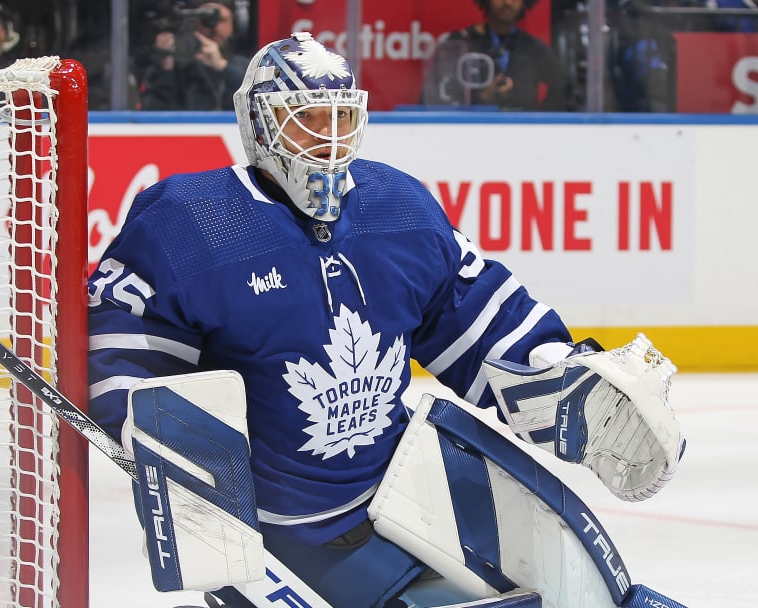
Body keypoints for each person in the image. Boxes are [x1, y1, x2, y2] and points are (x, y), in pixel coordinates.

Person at [88, 32, 686, 607]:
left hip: (407, 480)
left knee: (583, 580)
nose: (328, 140)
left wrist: (552, 369)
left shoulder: (396, 205)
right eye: (307, 119)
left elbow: (468, 309)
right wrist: (163, 447)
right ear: (260, 123)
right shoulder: (192, 222)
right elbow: (123, 343)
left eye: (340, 119)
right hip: (278, 528)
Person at [421, 0, 570, 110]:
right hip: (469, 133)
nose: (507, 2)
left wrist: (538, 119)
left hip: (522, 137)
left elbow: (564, 86)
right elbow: (432, 97)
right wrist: (481, 99)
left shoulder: (532, 48)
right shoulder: (461, 43)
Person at [137, 0, 249, 110]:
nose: (215, 28)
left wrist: (221, 66)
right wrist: (165, 68)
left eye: (221, 20)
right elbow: (153, 113)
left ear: (234, 24)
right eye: (206, 20)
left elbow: (254, 98)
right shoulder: (179, 66)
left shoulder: (245, 67)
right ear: (195, 24)